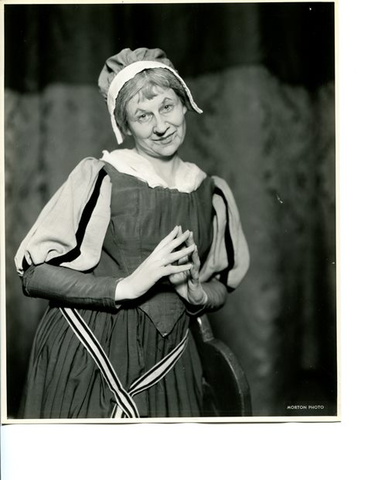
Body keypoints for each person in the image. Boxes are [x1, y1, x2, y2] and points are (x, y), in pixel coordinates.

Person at [15, 47, 250, 419]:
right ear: (124, 126)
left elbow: (221, 281)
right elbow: (34, 274)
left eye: (167, 107)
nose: (160, 125)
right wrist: (126, 287)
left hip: (173, 362)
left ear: (185, 103)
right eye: (143, 116)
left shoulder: (211, 191)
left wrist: (198, 293)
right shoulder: (102, 176)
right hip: (89, 354)